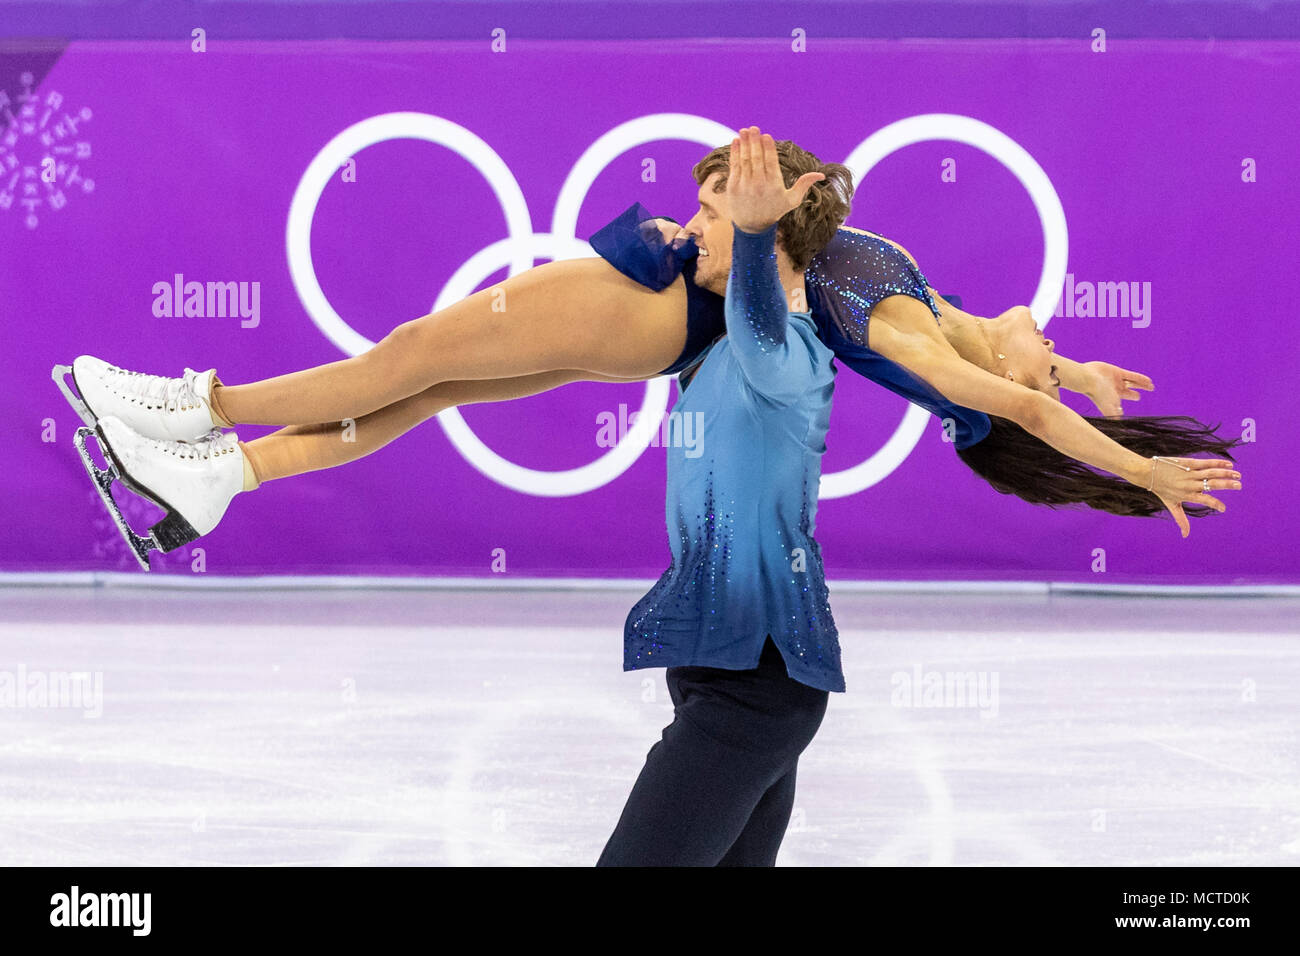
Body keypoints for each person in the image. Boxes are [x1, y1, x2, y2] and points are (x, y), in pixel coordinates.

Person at [54, 129, 1242, 568]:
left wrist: (1130, 469)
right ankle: (223, 480)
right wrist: (1080, 373)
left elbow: (1023, 405)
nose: (1049, 344)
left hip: (666, 299)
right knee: (435, 390)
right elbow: (1027, 357)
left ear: (995, 399)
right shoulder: (958, 314)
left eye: (1044, 363)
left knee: (413, 352)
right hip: (672, 309)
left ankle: (193, 406)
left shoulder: (912, 336)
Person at [597, 127, 841, 865]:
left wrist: (758, 230)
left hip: (758, 680)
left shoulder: (792, 355)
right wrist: (685, 232)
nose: (693, 226)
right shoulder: (711, 348)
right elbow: (614, 258)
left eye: (711, 213)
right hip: (715, 666)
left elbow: (763, 316)